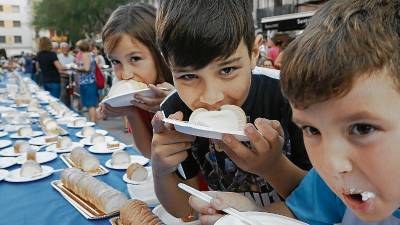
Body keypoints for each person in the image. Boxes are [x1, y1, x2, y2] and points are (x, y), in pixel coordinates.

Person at [189, 0, 400, 224]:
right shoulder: (333, 185)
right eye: (311, 129)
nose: (332, 164)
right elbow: (299, 212)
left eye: (362, 129)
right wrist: (247, 213)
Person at [151, 0, 311, 220]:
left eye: (227, 69)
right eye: (188, 76)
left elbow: (325, 205)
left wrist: (273, 166)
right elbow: (182, 210)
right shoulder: (175, 112)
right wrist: (160, 170)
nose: (211, 98)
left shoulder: (290, 96)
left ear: (254, 51)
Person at [97, 3, 174, 158]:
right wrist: (131, 113)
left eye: (135, 58)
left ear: (161, 53)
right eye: (115, 62)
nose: (125, 75)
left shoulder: (188, 86)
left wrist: (174, 102)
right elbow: (150, 153)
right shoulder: (139, 97)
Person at [75, 39, 97, 122]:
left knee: (90, 105)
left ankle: (93, 123)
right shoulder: (90, 54)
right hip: (90, 82)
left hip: (87, 82)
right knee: (91, 105)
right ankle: (93, 122)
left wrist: (76, 68)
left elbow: (87, 68)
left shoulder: (85, 55)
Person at [58, 42, 75, 107]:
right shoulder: (58, 57)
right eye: (63, 48)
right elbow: (59, 69)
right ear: (61, 49)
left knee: (71, 94)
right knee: (63, 94)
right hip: (63, 78)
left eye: (66, 48)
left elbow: (74, 67)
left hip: (71, 78)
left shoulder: (72, 57)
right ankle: (63, 108)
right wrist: (67, 71)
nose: (65, 49)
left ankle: (69, 107)